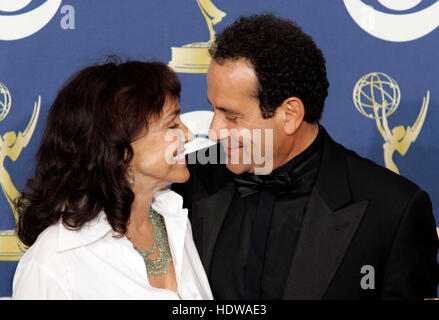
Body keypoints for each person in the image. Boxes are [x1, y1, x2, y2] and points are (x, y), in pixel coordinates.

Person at [171, 13, 439, 299]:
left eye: (231, 116)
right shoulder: (193, 179)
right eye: (213, 109)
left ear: (290, 115)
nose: (213, 131)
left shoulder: (391, 211)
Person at [12, 59, 213, 300]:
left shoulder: (176, 221)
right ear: (121, 150)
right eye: (172, 125)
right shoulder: (55, 260)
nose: (189, 135)